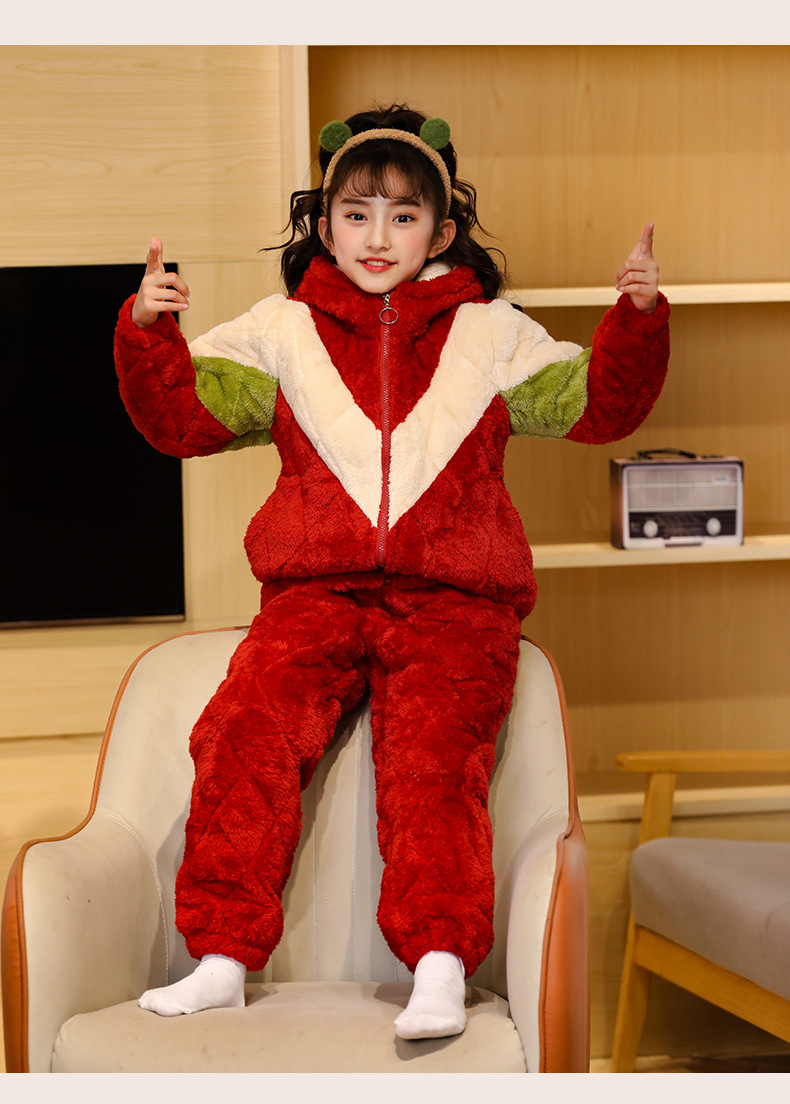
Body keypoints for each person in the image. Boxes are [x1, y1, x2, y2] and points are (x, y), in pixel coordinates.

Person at [114, 103, 669, 1041]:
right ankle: (221, 960)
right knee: (243, 733)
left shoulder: (492, 334)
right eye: (357, 214)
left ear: (441, 232)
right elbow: (181, 423)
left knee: (435, 760)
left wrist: (638, 319)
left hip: (456, 601)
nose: (378, 237)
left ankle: (440, 965)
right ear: (326, 226)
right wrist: (147, 331)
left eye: (403, 216)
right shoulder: (278, 332)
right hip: (314, 593)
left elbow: (598, 406)